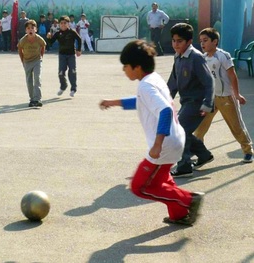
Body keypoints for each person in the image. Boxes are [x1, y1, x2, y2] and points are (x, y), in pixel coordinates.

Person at [99, 40, 204, 225]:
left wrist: (157, 144)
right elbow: (141, 102)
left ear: (137, 67)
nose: (124, 70)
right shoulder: (153, 79)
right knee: (163, 181)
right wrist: (113, 102)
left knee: (140, 187)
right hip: (175, 138)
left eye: (126, 66)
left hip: (165, 143)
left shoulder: (145, 86)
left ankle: (188, 200)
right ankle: (179, 214)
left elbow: (163, 110)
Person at [195, 28, 253, 163]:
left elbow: (233, 76)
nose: (202, 44)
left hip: (227, 98)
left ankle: (248, 151)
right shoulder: (202, 58)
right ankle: (198, 151)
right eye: (201, 41)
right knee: (200, 127)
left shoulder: (223, 56)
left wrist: (237, 95)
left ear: (214, 42)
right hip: (210, 98)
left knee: (236, 127)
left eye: (205, 41)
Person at [167, 23, 214, 177]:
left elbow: (209, 82)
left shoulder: (196, 57)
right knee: (183, 130)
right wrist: (165, 99)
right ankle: (204, 155)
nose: (175, 44)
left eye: (179, 41)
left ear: (189, 41)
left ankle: (185, 165)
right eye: (173, 41)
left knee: (179, 130)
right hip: (187, 102)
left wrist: (207, 103)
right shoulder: (178, 56)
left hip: (198, 103)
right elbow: (173, 82)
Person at [47, 15, 82, 97]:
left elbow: (79, 39)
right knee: (61, 73)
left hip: (71, 55)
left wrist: (78, 50)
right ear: (59, 24)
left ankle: (73, 88)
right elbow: (50, 43)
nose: (63, 25)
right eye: (61, 23)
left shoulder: (72, 32)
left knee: (72, 71)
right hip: (62, 55)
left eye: (65, 23)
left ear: (68, 24)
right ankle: (63, 86)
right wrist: (48, 37)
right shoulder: (58, 33)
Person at [18, 19, 46, 107]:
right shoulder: (23, 40)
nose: (30, 30)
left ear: (36, 29)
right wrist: (22, 60)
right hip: (27, 61)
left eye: (32, 28)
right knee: (29, 80)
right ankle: (32, 99)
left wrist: (41, 57)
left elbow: (43, 45)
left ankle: (38, 99)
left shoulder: (39, 39)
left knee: (37, 78)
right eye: (28, 28)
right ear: (26, 30)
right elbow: (19, 49)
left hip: (37, 60)